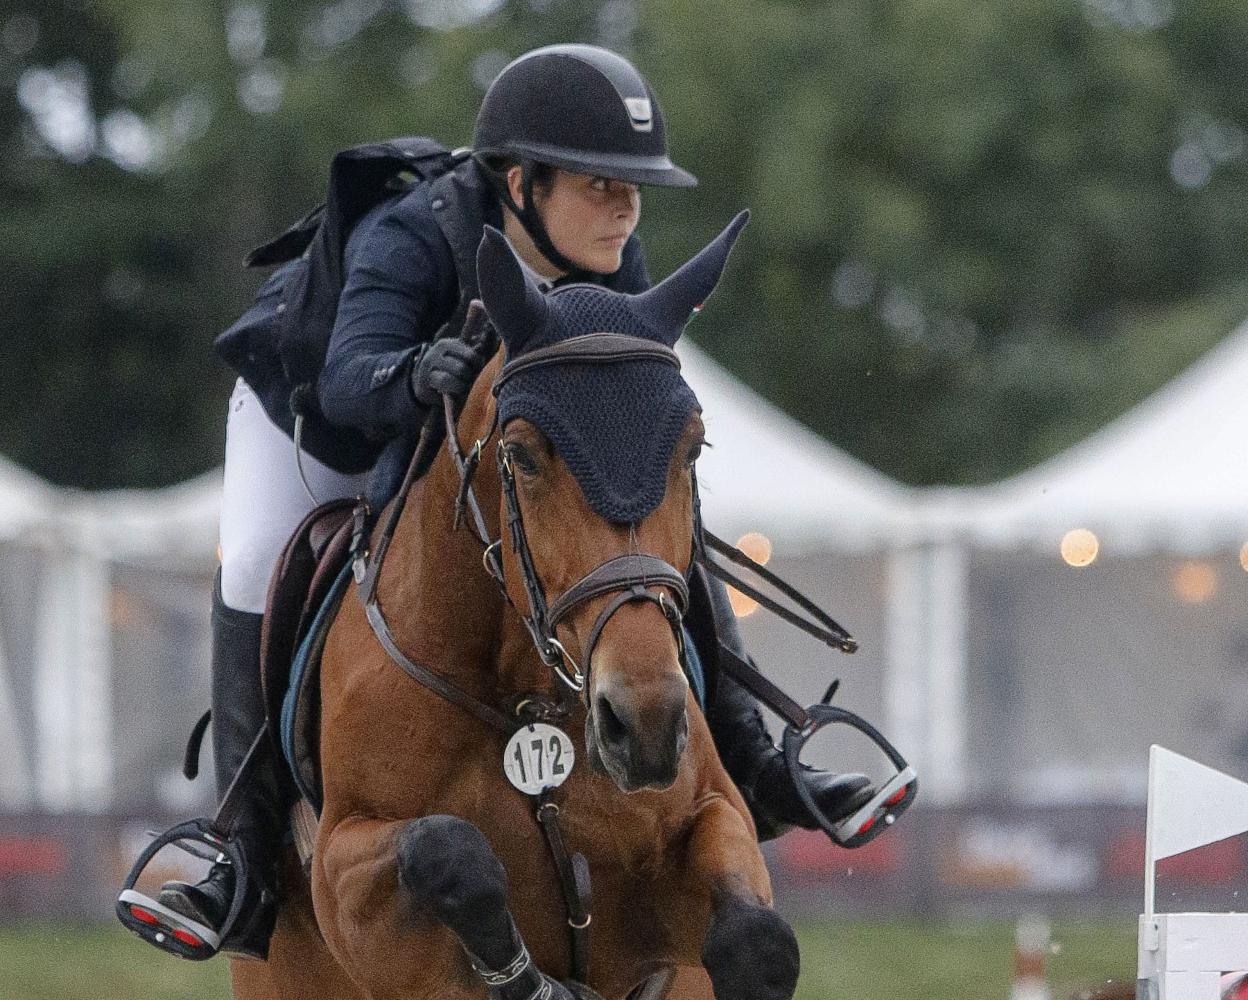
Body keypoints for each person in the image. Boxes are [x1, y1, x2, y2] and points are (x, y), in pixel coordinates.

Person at [158, 44, 875, 960]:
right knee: (260, 559)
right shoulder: (412, 233)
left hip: (483, 438)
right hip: (316, 418)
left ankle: (756, 762)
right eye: (599, 183)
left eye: (634, 187)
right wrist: (415, 372)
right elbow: (347, 383)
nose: (625, 207)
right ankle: (242, 854)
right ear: (520, 180)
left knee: (641, 530)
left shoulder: (611, 257)